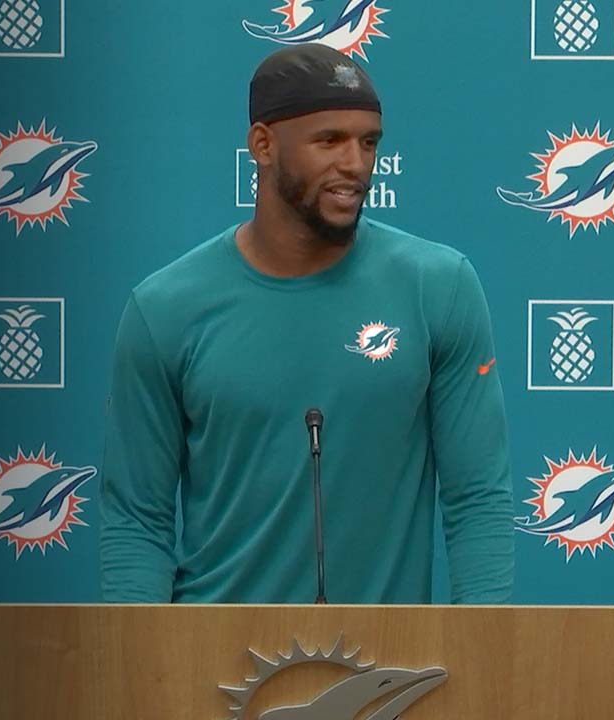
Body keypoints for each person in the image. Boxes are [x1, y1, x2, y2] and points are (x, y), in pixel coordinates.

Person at [99, 44, 515, 604]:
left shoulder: (438, 286)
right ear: (263, 145)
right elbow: (136, 521)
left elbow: (478, 499)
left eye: (368, 142)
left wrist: (481, 661)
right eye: (329, 141)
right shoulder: (165, 309)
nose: (356, 164)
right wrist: (145, 675)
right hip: (211, 670)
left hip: (388, 674)